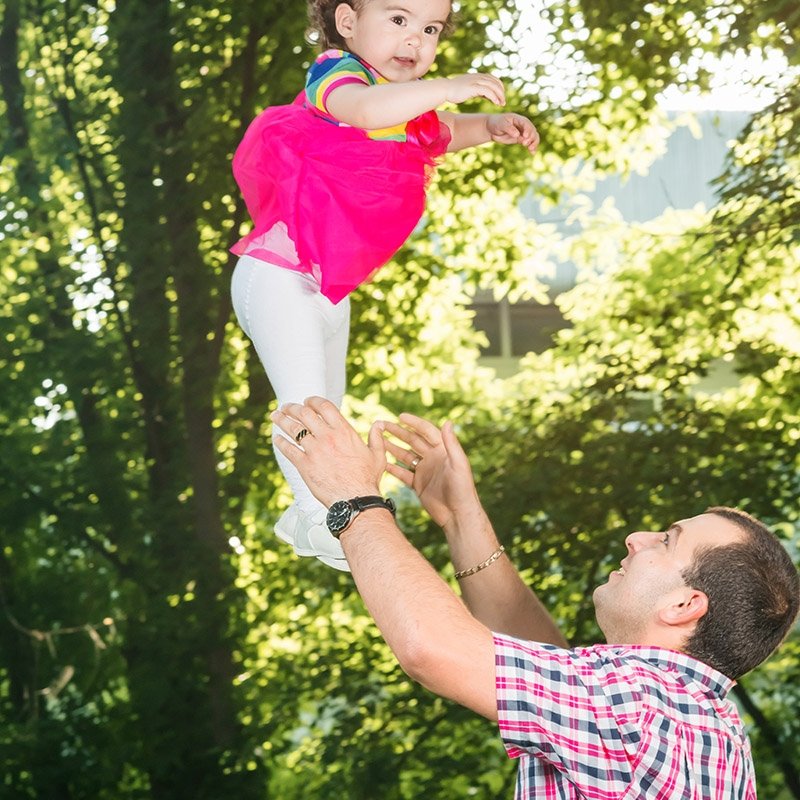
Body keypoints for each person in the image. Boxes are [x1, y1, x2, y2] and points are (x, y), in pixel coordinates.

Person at [271, 396, 800, 799]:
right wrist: (460, 517)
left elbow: (433, 648)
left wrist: (353, 498)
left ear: (684, 606)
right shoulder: (689, 719)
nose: (637, 539)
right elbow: (539, 662)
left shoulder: (644, 714)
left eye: (666, 541)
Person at [229, 0, 540, 571]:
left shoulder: (412, 110)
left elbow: (442, 133)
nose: (414, 40)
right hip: (277, 276)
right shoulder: (338, 77)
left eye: (430, 29)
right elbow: (370, 111)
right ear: (348, 24)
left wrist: (489, 128)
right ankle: (319, 512)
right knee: (305, 405)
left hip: (325, 291)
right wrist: (447, 86)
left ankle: (305, 514)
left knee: (328, 404)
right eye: (397, 20)